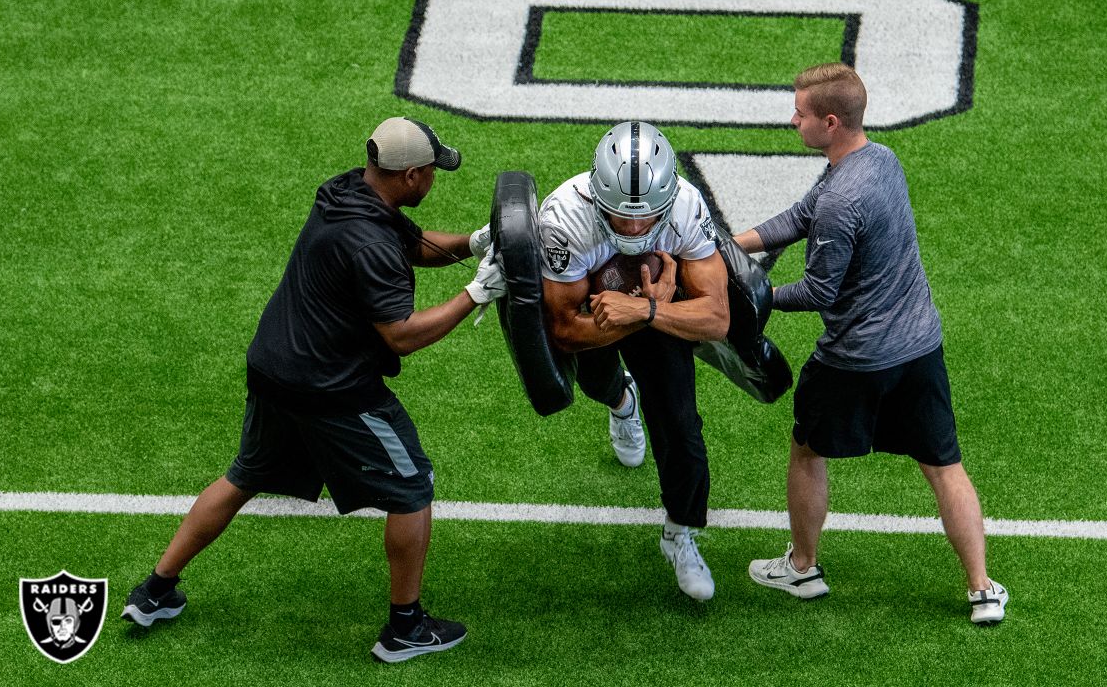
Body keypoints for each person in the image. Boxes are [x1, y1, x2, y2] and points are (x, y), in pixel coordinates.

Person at [120, 117, 507, 661]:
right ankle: (405, 629)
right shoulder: (369, 242)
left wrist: (474, 243)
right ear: (414, 175)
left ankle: (155, 591)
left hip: (275, 368)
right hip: (333, 390)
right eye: (433, 172)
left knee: (243, 476)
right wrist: (476, 293)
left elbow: (411, 244)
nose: (435, 180)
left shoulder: (349, 190)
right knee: (413, 485)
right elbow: (400, 336)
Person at [734, 63, 1009, 624]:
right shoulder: (879, 161)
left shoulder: (841, 201)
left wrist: (755, 299)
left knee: (807, 451)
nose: (792, 121)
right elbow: (798, 217)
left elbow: (817, 290)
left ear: (830, 122)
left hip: (854, 360)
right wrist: (724, 247)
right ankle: (981, 588)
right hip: (920, 350)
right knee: (944, 466)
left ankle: (803, 566)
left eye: (801, 114)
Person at [537, 121, 730, 601]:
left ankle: (679, 532)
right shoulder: (564, 219)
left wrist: (647, 310)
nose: (635, 228)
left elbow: (718, 317)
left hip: (651, 310)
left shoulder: (686, 204)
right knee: (597, 383)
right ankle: (623, 401)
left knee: (682, 427)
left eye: (646, 219)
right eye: (622, 217)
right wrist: (642, 312)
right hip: (597, 316)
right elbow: (562, 330)